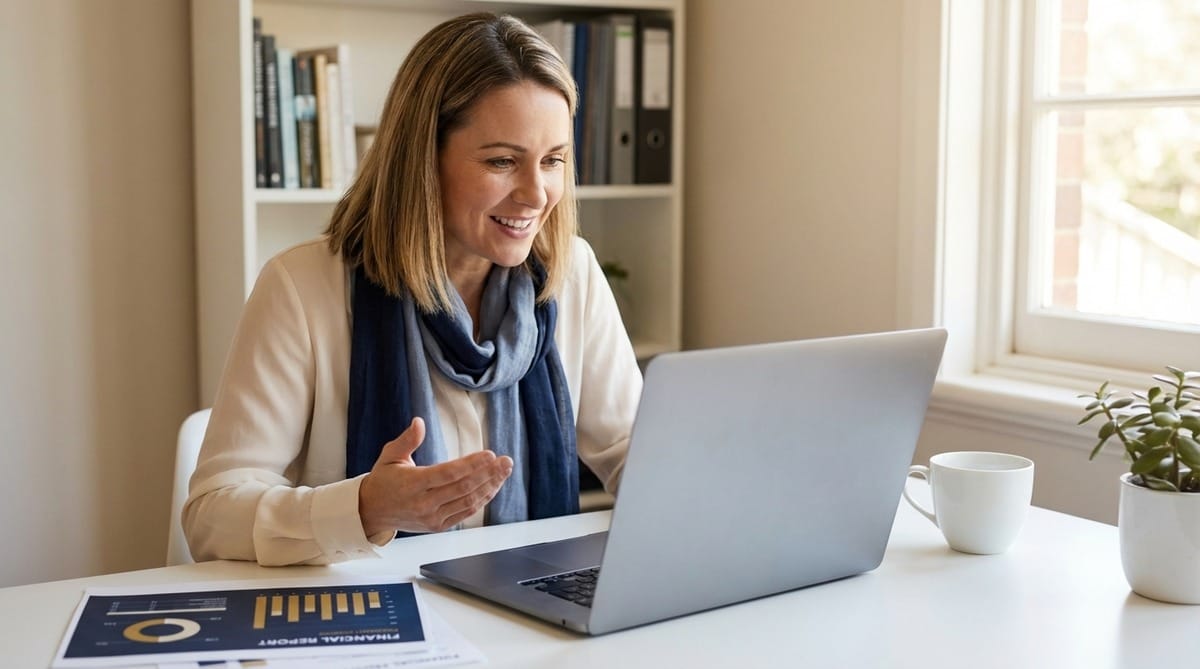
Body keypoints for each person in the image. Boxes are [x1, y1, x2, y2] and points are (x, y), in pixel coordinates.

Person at [183, 13, 642, 566]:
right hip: (373, 622)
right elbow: (210, 516)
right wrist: (364, 508)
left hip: (533, 619)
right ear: (423, 158)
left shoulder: (573, 275)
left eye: (553, 161)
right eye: (502, 161)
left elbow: (635, 455)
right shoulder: (303, 290)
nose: (536, 194)